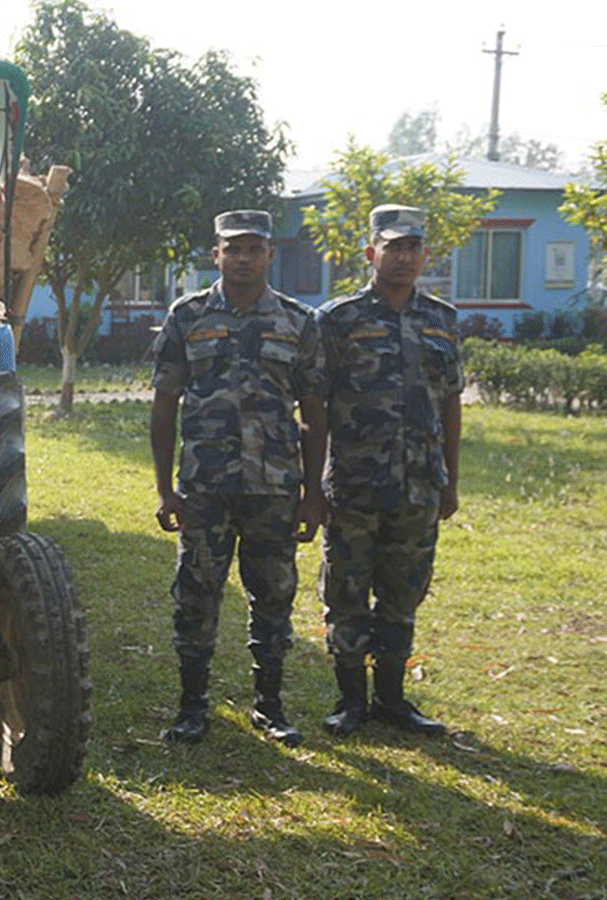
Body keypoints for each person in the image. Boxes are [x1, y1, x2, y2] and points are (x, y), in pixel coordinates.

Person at [149, 209, 327, 746]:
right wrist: (164, 489)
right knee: (196, 596)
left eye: (255, 248)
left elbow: (315, 413)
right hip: (205, 487)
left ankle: (270, 708)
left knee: (273, 596)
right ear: (216, 255)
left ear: (271, 255)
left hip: (274, 488)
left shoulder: (300, 323)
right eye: (234, 249)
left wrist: (313, 495)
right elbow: (164, 405)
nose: (244, 258)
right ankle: (192, 708)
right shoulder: (188, 316)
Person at [315, 204, 461, 738]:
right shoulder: (337, 319)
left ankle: (393, 701)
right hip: (354, 485)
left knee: (403, 596)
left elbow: (451, 404)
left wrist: (452, 477)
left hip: (419, 485)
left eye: (411, 247)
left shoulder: (441, 320)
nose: (402, 257)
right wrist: (316, 485)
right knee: (347, 596)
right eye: (391, 246)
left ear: (424, 254)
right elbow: (316, 404)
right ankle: (351, 702)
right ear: (369, 252)